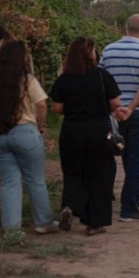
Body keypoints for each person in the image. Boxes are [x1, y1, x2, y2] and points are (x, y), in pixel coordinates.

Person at [0, 41, 58, 236]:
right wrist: (40, 125)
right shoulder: (27, 79)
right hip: (25, 132)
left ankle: (11, 229)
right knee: (35, 179)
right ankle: (43, 222)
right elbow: (42, 104)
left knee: (9, 181)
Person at [51, 37, 126, 236]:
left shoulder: (64, 79)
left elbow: (57, 108)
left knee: (73, 171)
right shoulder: (101, 76)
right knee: (100, 174)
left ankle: (70, 205)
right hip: (97, 131)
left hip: (71, 131)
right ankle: (95, 222)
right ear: (89, 54)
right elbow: (116, 102)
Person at [100, 14, 139, 222]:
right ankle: (129, 206)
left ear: (125, 29)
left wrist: (114, 107)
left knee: (124, 155)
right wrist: (131, 107)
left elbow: (101, 80)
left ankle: (136, 195)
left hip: (114, 113)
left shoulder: (108, 50)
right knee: (136, 159)